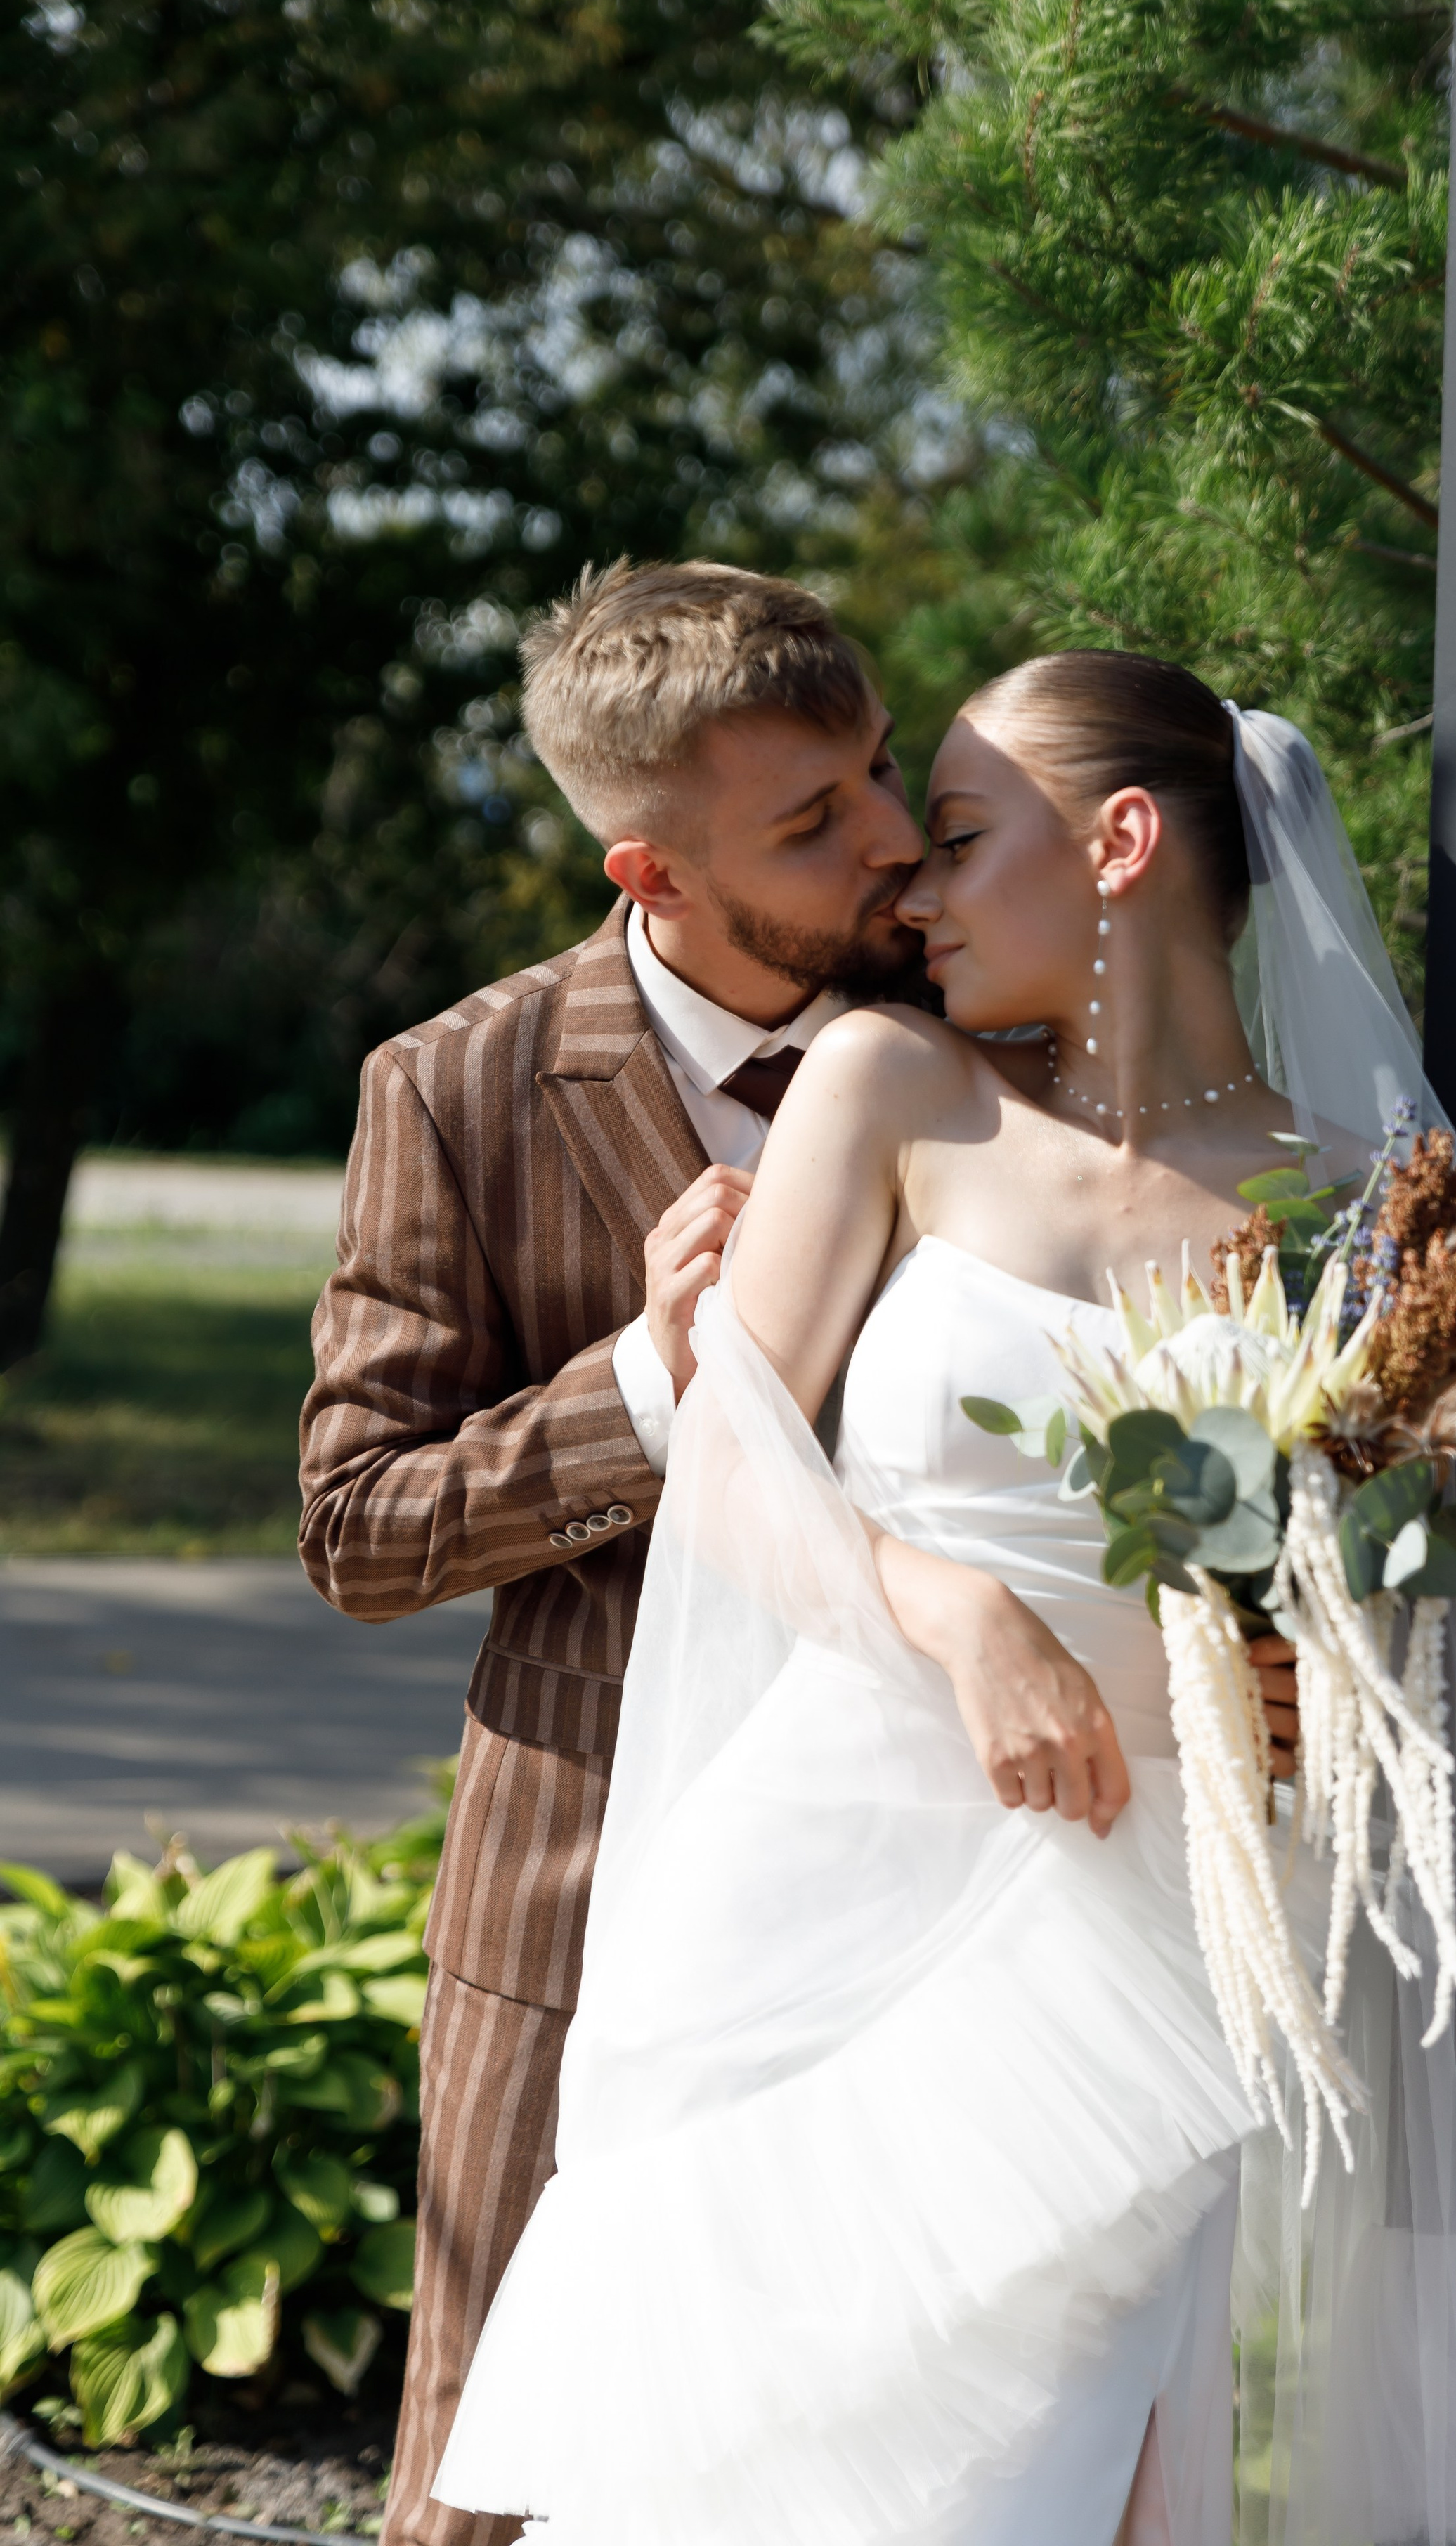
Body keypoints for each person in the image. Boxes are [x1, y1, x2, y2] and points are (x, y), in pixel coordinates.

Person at [435, 649, 1456, 2546]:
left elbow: (1406, 1586)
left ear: (1123, 843)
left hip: (1147, 1925)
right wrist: (952, 1610)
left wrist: (1324, 1647)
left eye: (961, 836)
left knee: (1035, 2486)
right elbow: (732, 1465)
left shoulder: (1363, 1207)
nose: (910, 887)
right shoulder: (894, 1089)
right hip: (822, 1885)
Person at [298, 558, 932, 2546]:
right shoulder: (458, 1087)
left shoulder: (986, 1038)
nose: (893, 839)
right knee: (494, 2466)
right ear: (650, 875)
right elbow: (356, 1527)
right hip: (583, 1890)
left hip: (928, 1872)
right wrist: (649, 1388)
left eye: (882, 769)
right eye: (813, 820)